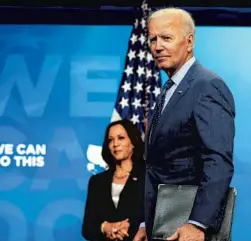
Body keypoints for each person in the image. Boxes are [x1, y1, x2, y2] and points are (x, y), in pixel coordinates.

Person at [133, 7, 236, 241]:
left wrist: (198, 224)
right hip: (162, 226)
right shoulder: (168, 89)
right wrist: (145, 223)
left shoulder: (207, 86)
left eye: (166, 38)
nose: (157, 46)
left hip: (188, 230)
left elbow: (218, 160)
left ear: (189, 42)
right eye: (153, 39)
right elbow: (157, 167)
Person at [82, 119, 145, 241]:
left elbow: (159, 218)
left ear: (132, 142)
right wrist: (105, 227)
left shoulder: (148, 177)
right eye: (110, 140)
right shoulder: (97, 182)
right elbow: (87, 228)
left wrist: (131, 228)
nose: (115, 144)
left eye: (121, 138)